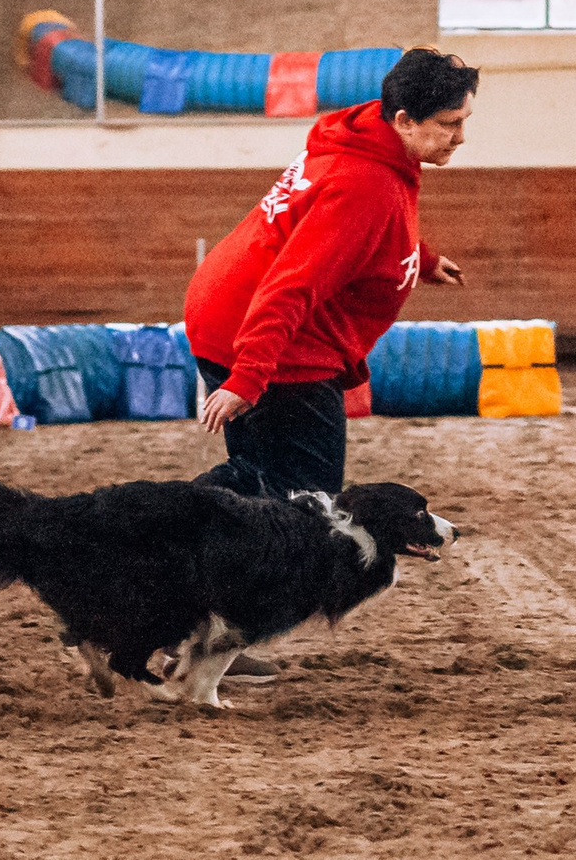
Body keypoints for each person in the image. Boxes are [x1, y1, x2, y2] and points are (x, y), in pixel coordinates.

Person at [183, 46, 477, 517]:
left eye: (463, 121)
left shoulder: (366, 136)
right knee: (307, 501)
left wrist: (418, 260)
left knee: (261, 475)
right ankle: (163, 527)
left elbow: (342, 235)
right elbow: (291, 284)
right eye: (449, 123)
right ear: (403, 119)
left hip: (230, 315)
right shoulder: (365, 183)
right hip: (273, 343)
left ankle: (165, 525)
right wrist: (249, 377)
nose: (460, 137)